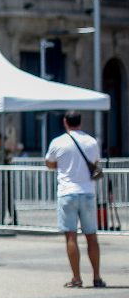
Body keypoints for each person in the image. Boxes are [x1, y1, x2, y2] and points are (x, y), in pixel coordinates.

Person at [46, 111, 105, 288]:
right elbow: (95, 163)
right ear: (81, 122)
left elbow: (49, 163)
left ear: (65, 122)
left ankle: (77, 278)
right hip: (87, 191)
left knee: (71, 236)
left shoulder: (58, 142)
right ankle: (96, 277)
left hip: (67, 192)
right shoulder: (92, 141)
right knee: (91, 236)